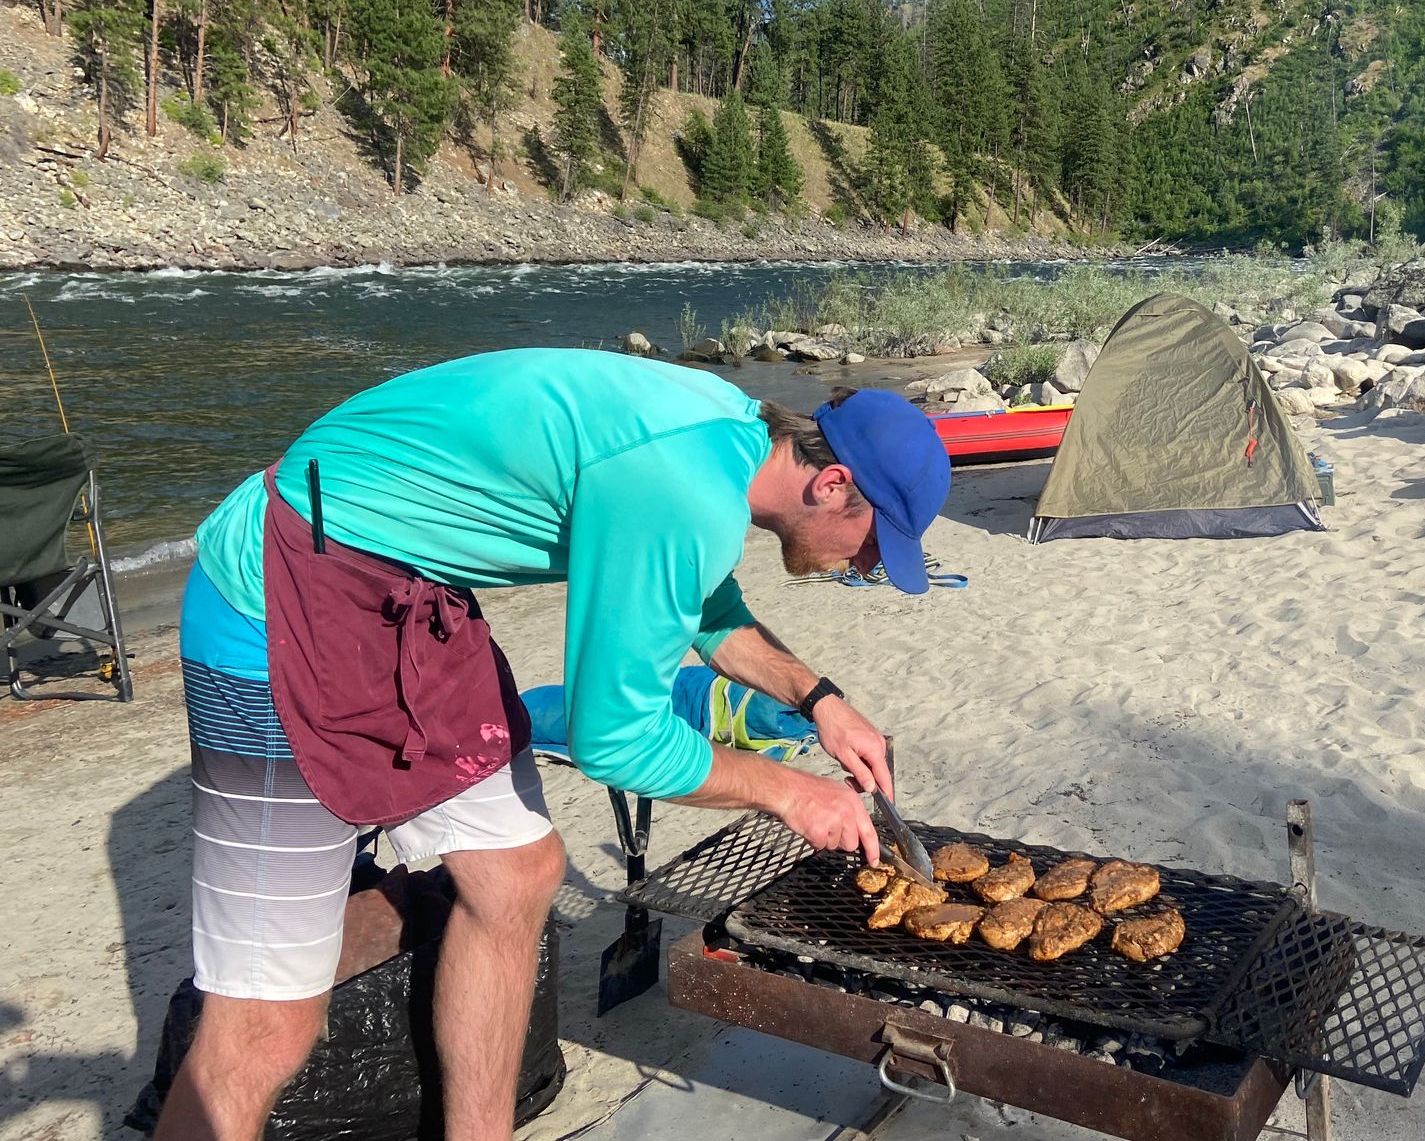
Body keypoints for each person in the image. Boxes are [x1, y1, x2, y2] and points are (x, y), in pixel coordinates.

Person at [154, 348, 951, 1141]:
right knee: (265, 1022)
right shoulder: (680, 483)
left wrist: (820, 701)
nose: (873, 565)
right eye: (879, 542)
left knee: (515, 874)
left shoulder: (726, 431)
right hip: (281, 598)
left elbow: (701, 599)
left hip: (410, 598)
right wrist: (791, 792)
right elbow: (617, 741)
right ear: (833, 483)